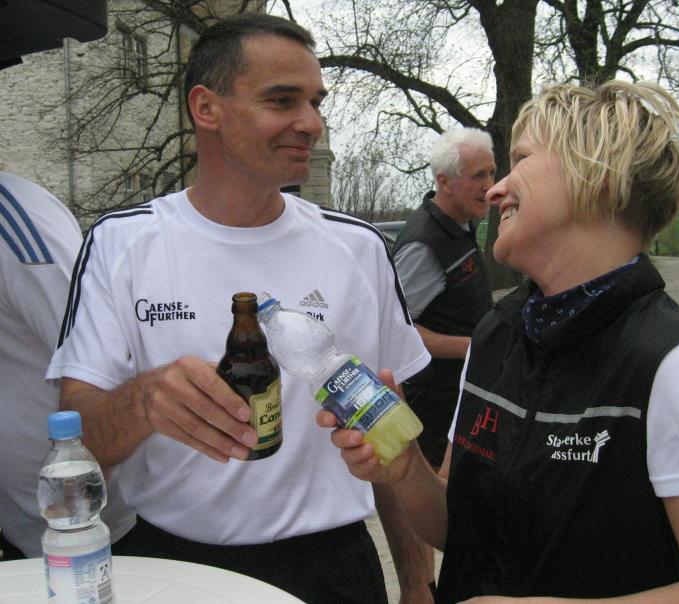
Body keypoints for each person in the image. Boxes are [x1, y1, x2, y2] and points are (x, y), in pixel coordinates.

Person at [319, 80, 679, 603]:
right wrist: (407, 469)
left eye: (521, 161)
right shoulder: (495, 336)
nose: (495, 190)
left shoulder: (674, 366)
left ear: (597, 177)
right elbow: (459, 530)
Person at [46, 14, 432, 604]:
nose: (312, 123)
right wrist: (144, 399)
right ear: (206, 108)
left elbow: (391, 434)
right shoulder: (121, 243)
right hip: (170, 564)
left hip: (333, 568)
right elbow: (76, 441)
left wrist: (417, 584)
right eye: (282, 100)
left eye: (315, 102)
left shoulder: (359, 247)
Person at [0, 171, 135, 559]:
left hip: (81, 535)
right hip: (20, 524)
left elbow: (98, 366)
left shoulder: (17, 221)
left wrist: (79, 519)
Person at [393, 128, 495, 471]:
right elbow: (397, 329)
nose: (489, 185)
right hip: (433, 403)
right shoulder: (424, 244)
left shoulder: (461, 224)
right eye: (478, 176)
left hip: (461, 393)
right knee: (439, 494)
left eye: (492, 173)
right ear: (444, 181)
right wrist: (474, 347)